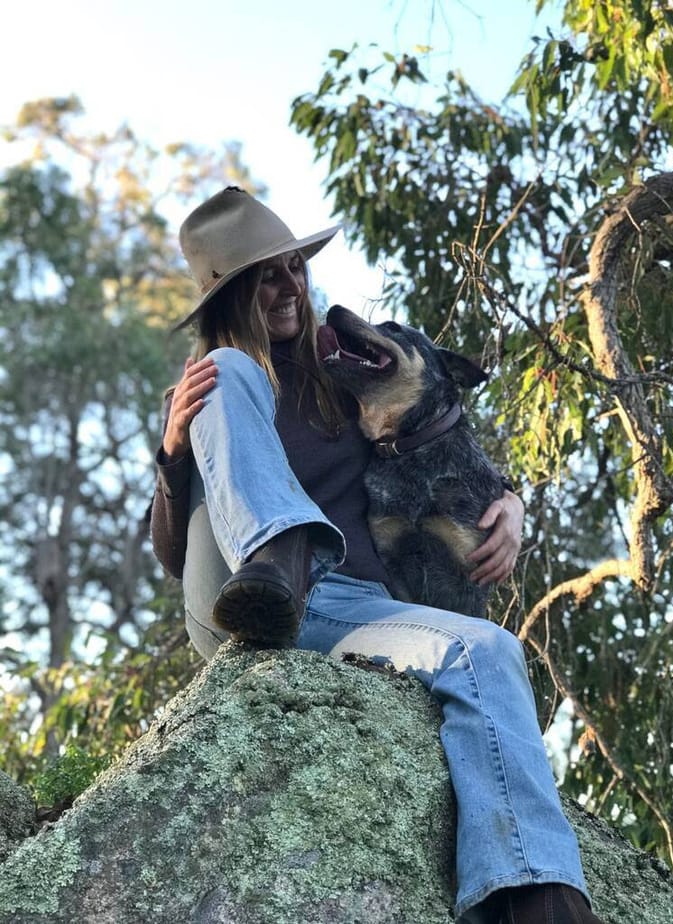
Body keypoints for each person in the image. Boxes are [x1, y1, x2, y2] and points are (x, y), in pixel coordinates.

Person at [150, 186, 602, 924]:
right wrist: (172, 455)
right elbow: (174, 556)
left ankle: (533, 896)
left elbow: (437, 432)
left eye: (293, 267)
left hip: (348, 607)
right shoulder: (209, 386)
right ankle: (279, 553)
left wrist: (511, 502)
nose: (289, 286)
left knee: (485, 650)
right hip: (240, 597)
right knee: (226, 373)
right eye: (265, 276)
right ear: (227, 296)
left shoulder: (344, 378)